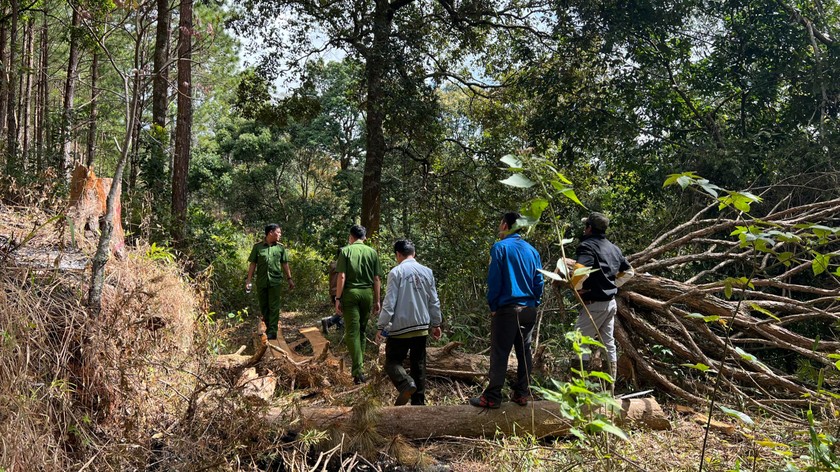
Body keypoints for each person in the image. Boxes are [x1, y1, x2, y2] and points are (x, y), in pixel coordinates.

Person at [470, 212, 544, 409]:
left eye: (500, 223)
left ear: (505, 225)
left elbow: (495, 280)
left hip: (507, 309)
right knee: (524, 351)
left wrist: (493, 305)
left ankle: (493, 396)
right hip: (528, 308)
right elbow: (539, 281)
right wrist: (534, 302)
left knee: (500, 353)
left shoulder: (500, 247)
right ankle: (522, 394)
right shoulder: (532, 251)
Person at [570, 212, 634, 389]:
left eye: (586, 226)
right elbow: (629, 272)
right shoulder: (613, 248)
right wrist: (612, 283)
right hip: (610, 303)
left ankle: (576, 392)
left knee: (580, 343)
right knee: (608, 345)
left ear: (589, 228)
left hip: (594, 304)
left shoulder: (587, 246)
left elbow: (579, 271)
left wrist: (576, 287)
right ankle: (608, 391)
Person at [375, 240, 442, 406]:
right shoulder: (427, 272)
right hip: (421, 327)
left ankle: (405, 383)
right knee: (418, 364)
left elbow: (389, 304)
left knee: (392, 362)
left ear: (398, 254)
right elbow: (434, 301)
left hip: (400, 328)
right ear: (414, 253)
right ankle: (418, 403)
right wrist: (436, 324)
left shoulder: (396, 272)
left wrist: (381, 326)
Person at [335, 224, 383, 384]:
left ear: (351, 236)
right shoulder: (372, 252)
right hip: (367, 294)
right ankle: (360, 368)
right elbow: (377, 279)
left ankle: (357, 370)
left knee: (351, 332)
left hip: (350, 294)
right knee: (361, 331)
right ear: (364, 238)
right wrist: (377, 300)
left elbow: (341, 276)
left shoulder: (346, 251)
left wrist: (337, 298)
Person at [246, 224, 295, 340]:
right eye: (278, 232)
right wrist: (248, 280)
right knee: (264, 306)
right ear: (271, 233)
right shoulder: (257, 247)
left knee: (274, 306)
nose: (280, 235)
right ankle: (268, 326)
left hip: (275, 281)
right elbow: (253, 264)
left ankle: (272, 331)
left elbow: (285, 264)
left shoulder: (280, 248)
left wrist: (289, 278)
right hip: (261, 282)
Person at [321, 250, 345, 333]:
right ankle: (329, 322)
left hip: (333, 292)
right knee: (343, 312)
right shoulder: (341, 265)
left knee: (340, 311)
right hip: (339, 292)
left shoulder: (333, 264)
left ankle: (339, 330)